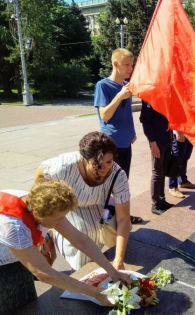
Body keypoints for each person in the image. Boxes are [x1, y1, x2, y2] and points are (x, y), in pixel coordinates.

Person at [0, 179, 131, 313]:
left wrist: (113, 271)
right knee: (13, 307)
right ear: (39, 215)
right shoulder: (14, 227)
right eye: (57, 219)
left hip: (17, 250)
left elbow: (80, 240)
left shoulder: (44, 203)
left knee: (28, 303)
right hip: (3, 264)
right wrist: (97, 294)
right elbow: (44, 274)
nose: (60, 222)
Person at [34, 132, 132, 271]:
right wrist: (48, 221)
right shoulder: (63, 167)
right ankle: (79, 270)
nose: (104, 169)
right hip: (70, 204)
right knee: (85, 232)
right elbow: (41, 176)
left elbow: (124, 219)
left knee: (117, 229)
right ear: (85, 159)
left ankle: (91, 262)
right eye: (97, 164)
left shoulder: (118, 174)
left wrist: (119, 260)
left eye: (108, 162)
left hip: (97, 203)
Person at [94, 48, 136, 179]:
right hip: (111, 144)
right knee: (109, 183)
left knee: (123, 180)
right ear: (116, 64)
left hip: (126, 143)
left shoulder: (126, 85)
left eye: (132, 64)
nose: (131, 68)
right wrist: (119, 96)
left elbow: (126, 112)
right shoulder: (103, 85)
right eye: (127, 64)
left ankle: (121, 200)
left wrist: (132, 132)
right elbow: (104, 116)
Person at [139, 100, 174, 215]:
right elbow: (146, 122)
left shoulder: (166, 96)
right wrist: (152, 143)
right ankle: (155, 203)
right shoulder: (149, 97)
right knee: (157, 172)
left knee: (162, 171)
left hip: (166, 139)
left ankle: (162, 199)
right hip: (157, 142)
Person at [168, 131, 195, 199]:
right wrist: (178, 132)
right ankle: (172, 187)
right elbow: (173, 120)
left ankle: (183, 181)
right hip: (179, 131)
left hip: (189, 131)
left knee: (185, 157)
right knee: (176, 159)